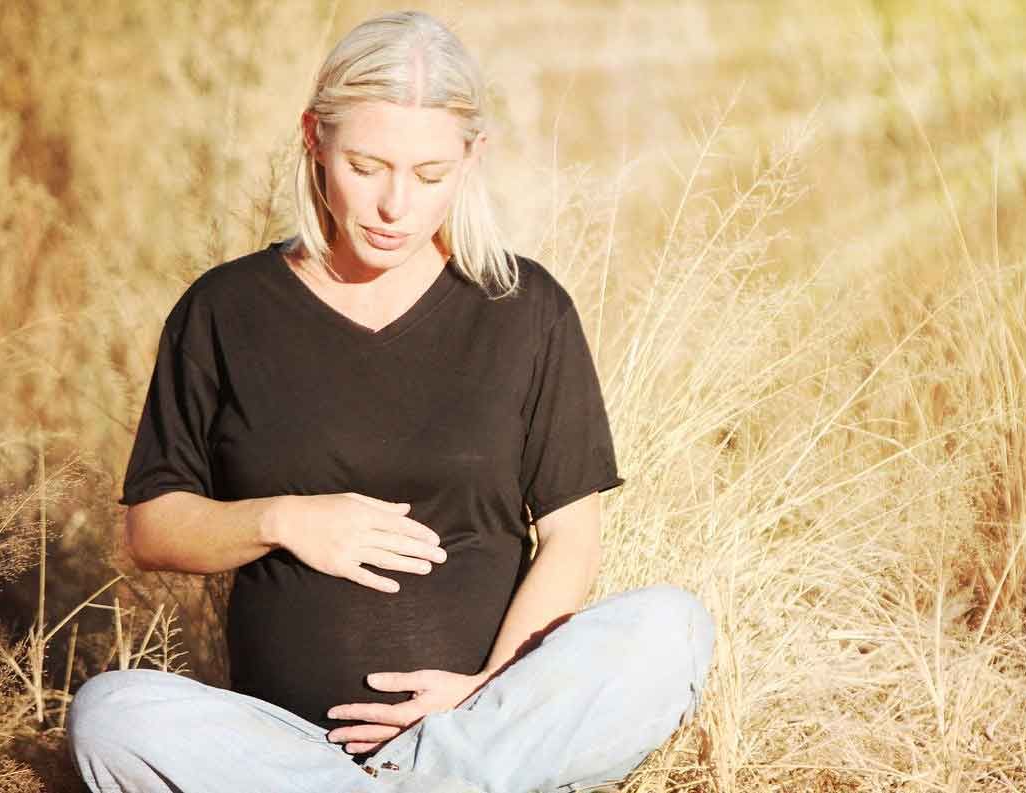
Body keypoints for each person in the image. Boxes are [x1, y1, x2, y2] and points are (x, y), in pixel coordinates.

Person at [65, 10, 715, 793]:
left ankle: (435, 775)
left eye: (429, 175)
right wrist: (285, 519)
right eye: (367, 166)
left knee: (672, 629)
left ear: (472, 156)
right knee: (110, 715)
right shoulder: (225, 310)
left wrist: (483, 695)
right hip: (285, 746)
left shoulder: (525, 307)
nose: (394, 205)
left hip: (482, 722)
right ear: (315, 138)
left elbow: (572, 539)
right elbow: (152, 526)